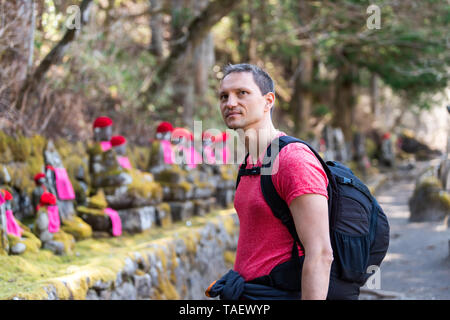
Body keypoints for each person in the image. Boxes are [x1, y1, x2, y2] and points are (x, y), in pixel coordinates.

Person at [206, 63, 334, 300]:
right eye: (224, 96)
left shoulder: (293, 159)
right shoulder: (249, 163)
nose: (230, 103)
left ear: (268, 101)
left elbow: (321, 253)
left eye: (242, 93)